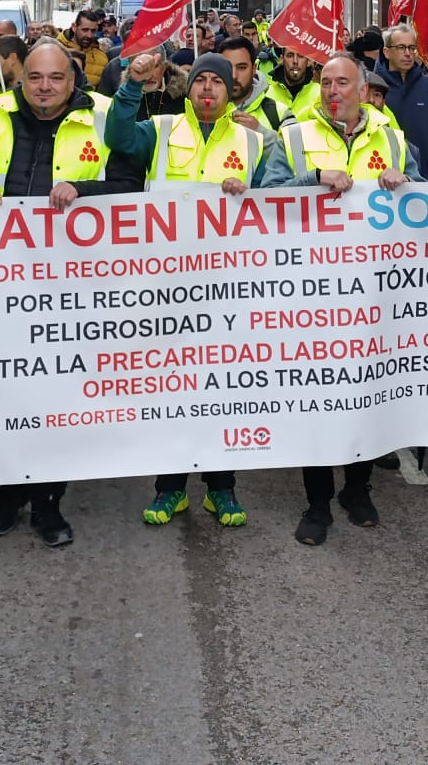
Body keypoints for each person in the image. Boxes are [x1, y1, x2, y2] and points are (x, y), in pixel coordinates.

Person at [0, 38, 139, 547]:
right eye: (35, 78)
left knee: (57, 398)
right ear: (21, 79)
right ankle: (7, 495)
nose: (45, 87)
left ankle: (49, 504)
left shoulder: (100, 118)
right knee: (10, 391)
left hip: (73, 287)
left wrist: (83, 191)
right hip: (2, 284)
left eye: (55, 78)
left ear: (73, 81)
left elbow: (130, 187)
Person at [108, 49, 290, 530]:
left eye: (217, 81)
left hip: (229, 288)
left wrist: (250, 193)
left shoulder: (254, 142)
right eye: (199, 81)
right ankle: (170, 489)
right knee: (172, 390)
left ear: (232, 91)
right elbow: (118, 137)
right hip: (166, 286)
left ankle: (221, 488)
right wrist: (132, 86)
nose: (207, 88)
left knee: (221, 391)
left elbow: (280, 199)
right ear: (188, 90)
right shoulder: (163, 130)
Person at [281, 54, 418, 546]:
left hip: (375, 295)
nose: (332, 90)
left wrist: (405, 185)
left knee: (365, 394)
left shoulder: (393, 137)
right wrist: (312, 180)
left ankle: (357, 490)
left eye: (342, 82)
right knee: (315, 400)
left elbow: (426, 198)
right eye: (325, 82)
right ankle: (317, 502)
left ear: (364, 88)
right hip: (310, 295)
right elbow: (265, 192)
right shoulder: (295, 136)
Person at [375, 22, 428, 180]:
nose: (408, 53)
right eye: (401, 48)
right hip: (385, 182)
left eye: (412, 48)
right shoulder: (372, 89)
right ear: (387, 52)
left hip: (427, 181)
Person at [62, 8, 112, 95]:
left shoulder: (102, 58)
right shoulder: (55, 50)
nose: (89, 35)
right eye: (85, 30)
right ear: (74, 27)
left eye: (93, 31)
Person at [264, 49, 320, 123]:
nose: (295, 61)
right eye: (290, 56)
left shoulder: (320, 94)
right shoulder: (267, 94)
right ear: (281, 60)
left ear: (309, 61)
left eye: (300, 56)